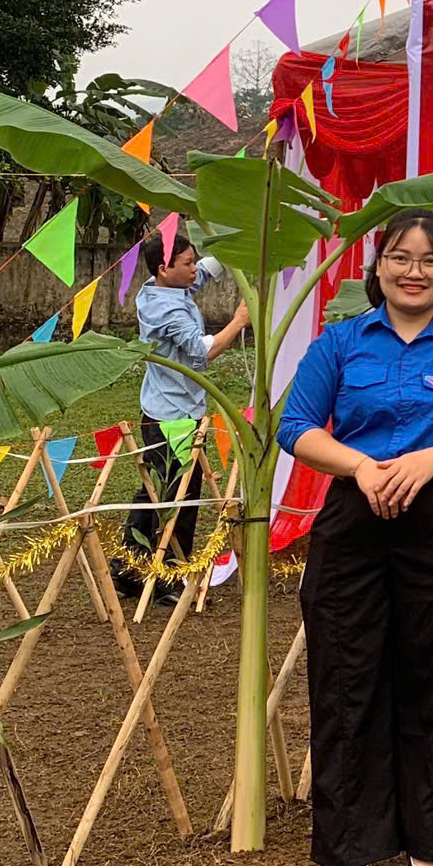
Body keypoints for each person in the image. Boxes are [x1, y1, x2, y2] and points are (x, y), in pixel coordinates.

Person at [278, 211, 433, 866]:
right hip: (353, 521)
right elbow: (296, 425)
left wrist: (432, 457)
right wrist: (361, 466)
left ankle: (431, 845)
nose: (415, 271)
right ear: (377, 269)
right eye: (401, 258)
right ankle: (349, 847)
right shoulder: (340, 343)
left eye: (431, 259)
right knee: (346, 677)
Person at [128, 229, 249, 597]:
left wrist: (233, 245)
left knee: (155, 490)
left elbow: (203, 274)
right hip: (175, 417)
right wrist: (239, 321)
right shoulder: (166, 309)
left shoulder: (160, 287)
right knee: (180, 496)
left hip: (161, 408)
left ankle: (130, 565)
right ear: (164, 269)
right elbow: (201, 353)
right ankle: (168, 575)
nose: (195, 268)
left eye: (194, 260)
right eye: (187, 263)